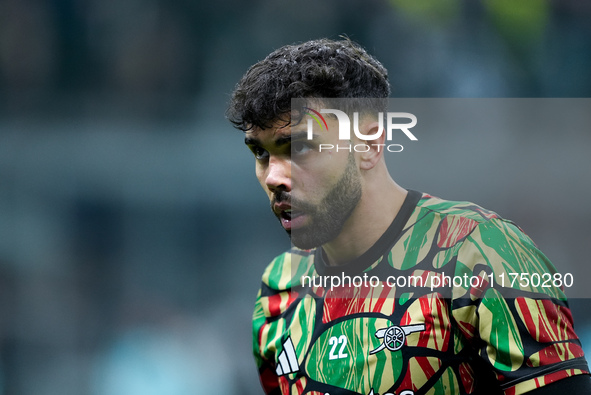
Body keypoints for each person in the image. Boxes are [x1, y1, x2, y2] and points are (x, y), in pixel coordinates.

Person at [227, 38, 591, 394]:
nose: (274, 176)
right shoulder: (279, 287)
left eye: (301, 146)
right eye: (261, 153)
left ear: (369, 146)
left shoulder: (480, 252)